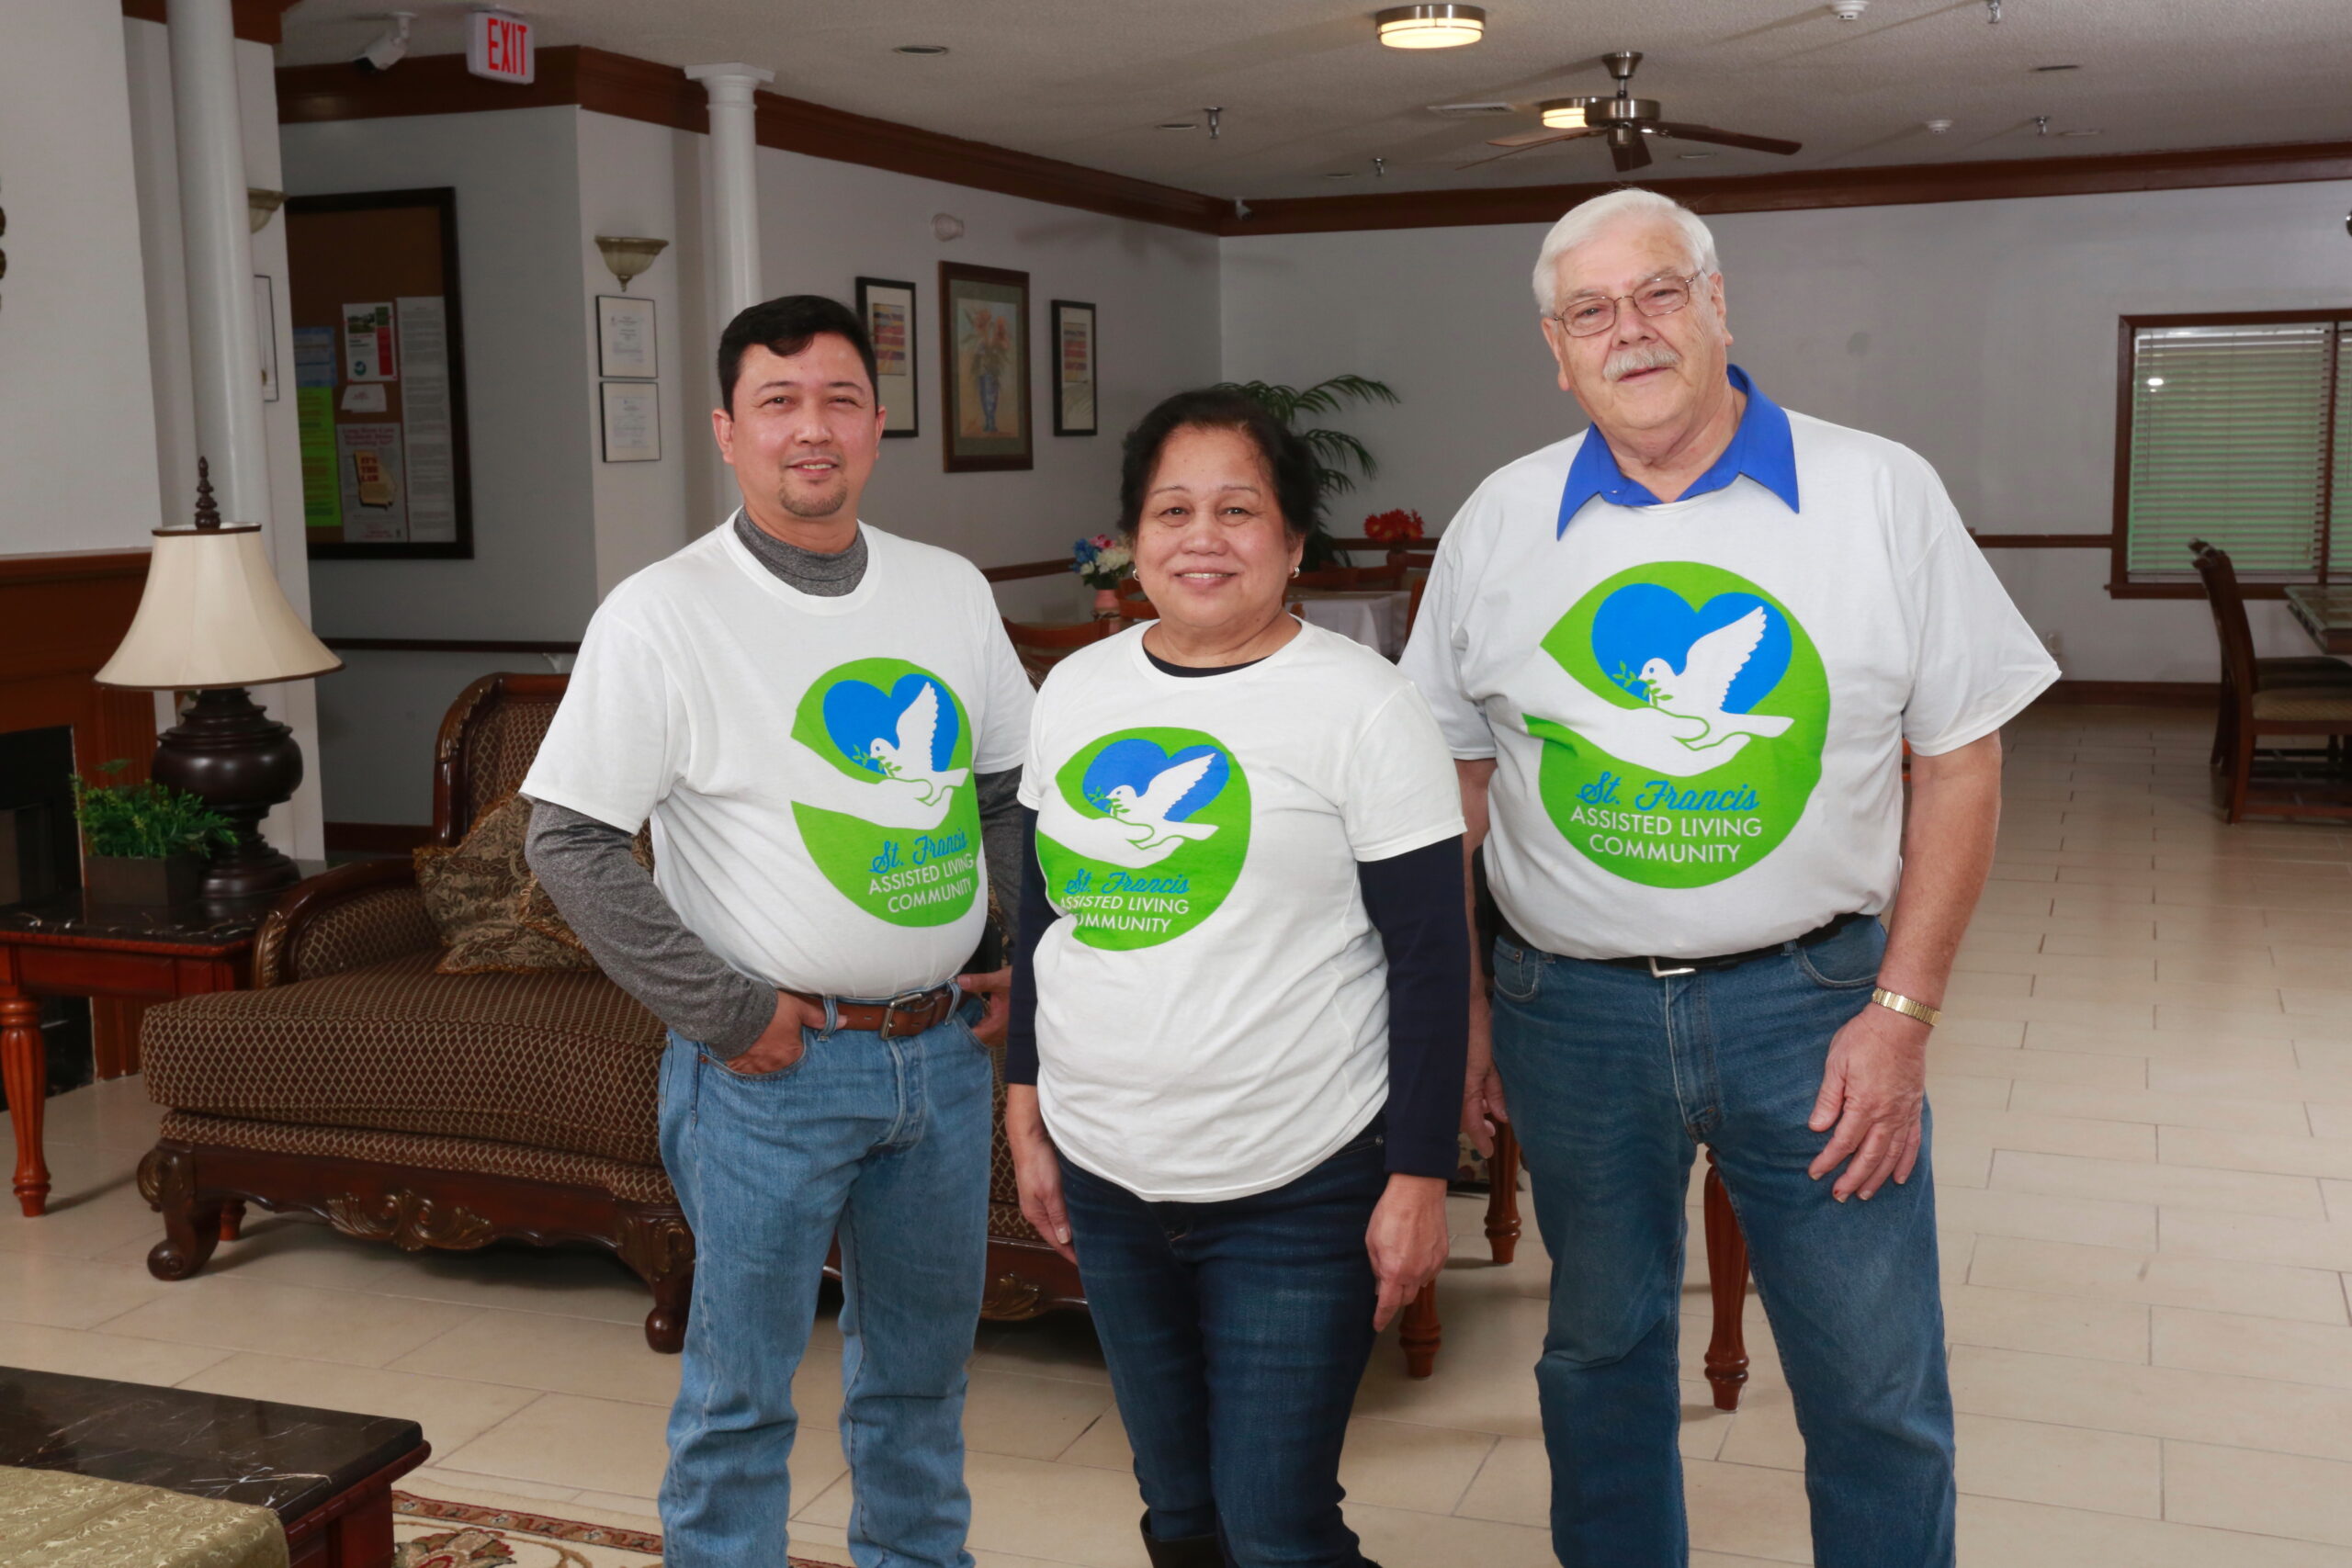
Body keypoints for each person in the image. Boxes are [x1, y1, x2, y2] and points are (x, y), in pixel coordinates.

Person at [1400, 188, 2058, 1568]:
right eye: (1590, 311)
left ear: (1717, 304)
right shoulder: (1499, 521)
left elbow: (1961, 762)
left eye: (1658, 292)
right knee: (1598, 1356)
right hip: (1568, 1015)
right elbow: (1452, 788)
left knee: (1874, 1385)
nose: (1628, 330)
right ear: (1555, 350)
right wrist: (1460, 1012)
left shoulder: (1877, 491)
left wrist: (1903, 1015)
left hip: (1811, 1006)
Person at [521, 294, 1034, 1568]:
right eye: (779, 402)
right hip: (771, 1073)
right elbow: (567, 842)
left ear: (875, 425)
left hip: (942, 1056)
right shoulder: (663, 611)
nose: (813, 428)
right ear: (728, 431)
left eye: (840, 400)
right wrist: (727, 1012)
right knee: (739, 1399)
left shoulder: (948, 589)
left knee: (921, 1385)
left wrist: (1009, 953)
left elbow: (1002, 792)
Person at [1002, 388, 1471, 1568]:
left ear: (1294, 541)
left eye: (1237, 509)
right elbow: (1044, 923)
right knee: (1179, 1516)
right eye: (1172, 510)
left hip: (1296, 1183)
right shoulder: (1076, 691)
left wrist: (1419, 1178)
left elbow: (1429, 962)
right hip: (1108, 1171)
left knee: (1275, 1527)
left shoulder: (1365, 707)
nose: (1200, 537)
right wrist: (1024, 1104)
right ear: (1130, 538)